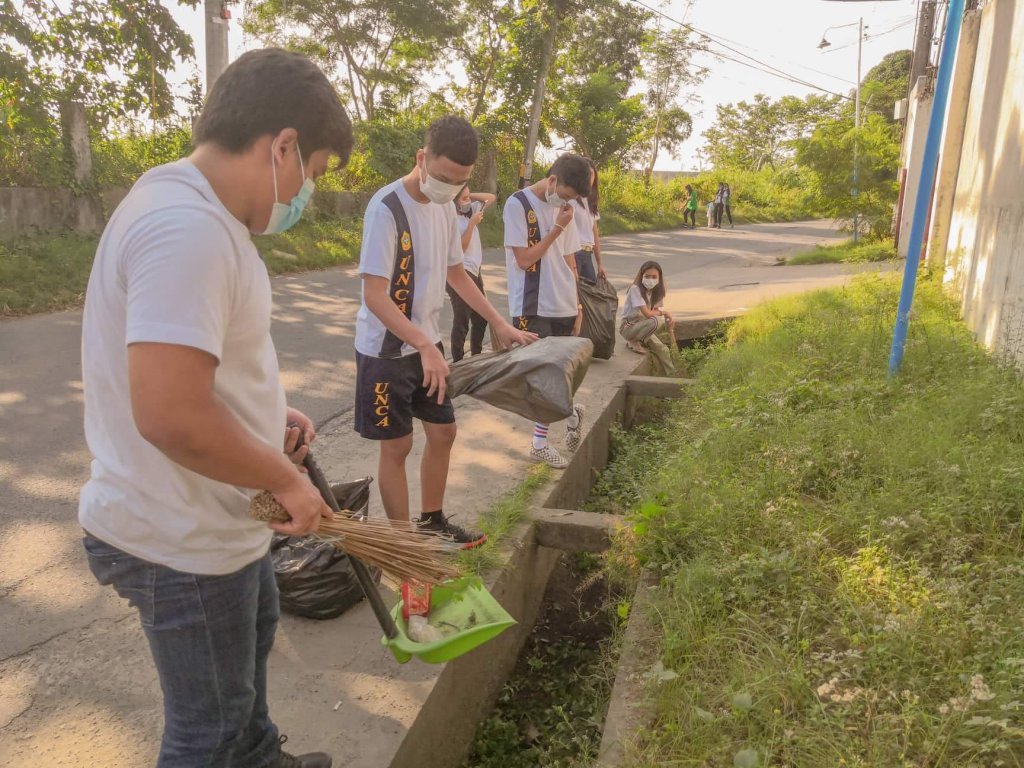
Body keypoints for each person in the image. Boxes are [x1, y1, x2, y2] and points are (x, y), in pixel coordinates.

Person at [79, 49, 351, 768]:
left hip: (216, 521)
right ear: (283, 146)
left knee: (244, 678)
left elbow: (201, 371)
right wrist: (286, 479)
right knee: (210, 733)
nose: (306, 194)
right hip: (180, 539)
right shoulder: (187, 229)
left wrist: (268, 418)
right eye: (313, 172)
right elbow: (170, 413)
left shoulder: (195, 213)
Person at [354, 116, 535, 545]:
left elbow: (457, 272)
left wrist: (498, 321)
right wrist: (423, 344)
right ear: (421, 157)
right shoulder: (387, 209)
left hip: (426, 344)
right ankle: (405, 545)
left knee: (444, 432)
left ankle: (432, 520)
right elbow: (375, 296)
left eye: (460, 182)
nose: (450, 189)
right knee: (397, 447)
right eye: (443, 178)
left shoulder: (444, 207)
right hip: (386, 351)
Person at [504, 153, 591, 469]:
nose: (566, 202)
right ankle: (568, 414)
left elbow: (570, 261)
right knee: (538, 377)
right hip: (531, 305)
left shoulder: (567, 209)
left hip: (563, 304)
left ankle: (541, 441)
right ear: (553, 180)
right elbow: (524, 260)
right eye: (565, 195)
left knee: (555, 375)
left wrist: (578, 304)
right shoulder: (518, 205)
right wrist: (556, 228)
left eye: (572, 199)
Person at [447, 185, 496, 361]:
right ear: (454, 200)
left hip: (475, 270)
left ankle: (476, 356)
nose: (468, 201)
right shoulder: (451, 219)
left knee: (481, 317)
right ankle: (458, 361)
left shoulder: (472, 210)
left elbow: (490, 197)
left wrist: (468, 194)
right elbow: (461, 249)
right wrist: (471, 225)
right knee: (462, 319)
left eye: (469, 198)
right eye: (464, 198)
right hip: (460, 271)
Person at [619, 261, 676, 375]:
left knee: (663, 349)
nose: (650, 280)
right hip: (629, 327)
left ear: (659, 278)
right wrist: (665, 313)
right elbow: (648, 314)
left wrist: (669, 324)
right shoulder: (635, 289)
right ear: (641, 276)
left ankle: (672, 374)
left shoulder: (657, 291)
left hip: (644, 326)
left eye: (654, 277)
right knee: (656, 321)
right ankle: (634, 341)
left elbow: (655, 310)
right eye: (647, 276)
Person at [570, 158, 605, 282]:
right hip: (574, 253)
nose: (589, 178)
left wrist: (599, 263)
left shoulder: (591, 201)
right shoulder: (571, 199)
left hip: (587, 253)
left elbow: (595, 234)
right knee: (573, 291)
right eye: (586, 174)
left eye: (592, 174)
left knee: (592, 291)